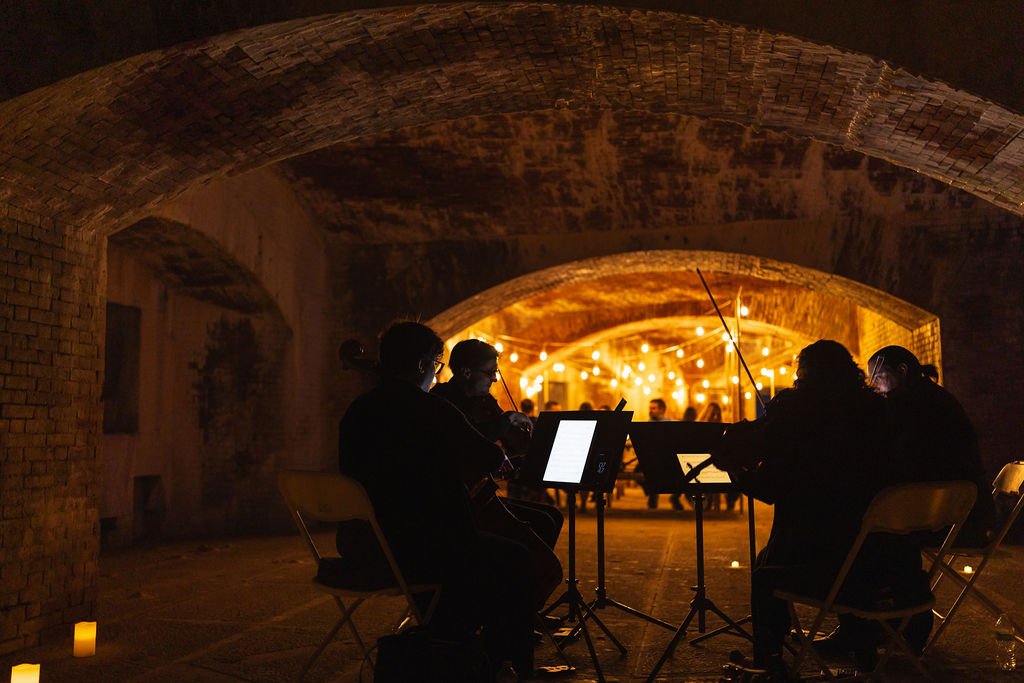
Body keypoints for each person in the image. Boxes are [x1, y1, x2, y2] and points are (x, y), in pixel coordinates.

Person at [336, 322, 535, 679]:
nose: (436, 374)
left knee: (477, 557)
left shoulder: (358, 411)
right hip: (416, 548)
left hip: (362, 544)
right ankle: (504, 664)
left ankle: (454, 635)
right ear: (421, 366)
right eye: (436, 365)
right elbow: (488, 458)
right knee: (518, 559)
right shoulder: (433, 410)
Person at [712, 340, 897, 678]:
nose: (795, 381)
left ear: (806, 374)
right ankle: (862, 646)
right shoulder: (876, 408)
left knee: (766, 571)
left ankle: (769, 660)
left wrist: (736, 469)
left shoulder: (795, 409)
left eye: (799, 375)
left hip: (816, 561)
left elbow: (769, 488)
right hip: (881, 562)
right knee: (842, 545)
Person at [431, 340, 564, 551]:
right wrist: (506, 422)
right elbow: (472, 443)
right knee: (542, 523)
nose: (494, 379)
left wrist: (529, 440)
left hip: (482, 496)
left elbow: (513, 445)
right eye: (490, 372)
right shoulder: (443, 402)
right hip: (460, 501)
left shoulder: (485, 402)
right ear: (466, 372)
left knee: (553, 515)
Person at [642, 398, 685, 510]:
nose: (650, 411)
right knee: (642, 468)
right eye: (650, 408)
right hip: (652, 459)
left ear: (662, 409)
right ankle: (653, 493)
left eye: (653, 408)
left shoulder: (670, 424)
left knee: (682, 470)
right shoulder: (647, 424)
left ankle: (674, 496)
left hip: (668, 459)